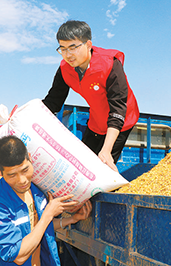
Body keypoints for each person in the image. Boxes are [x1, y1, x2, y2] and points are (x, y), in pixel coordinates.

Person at [0, 135, 92, 266]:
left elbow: (37, 227)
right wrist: (48, 214)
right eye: (12, 175)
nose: (22, 180)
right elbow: (18, 256)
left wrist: (71, 219)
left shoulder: (35, 191)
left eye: (25, 170)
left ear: (30, 158)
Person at [42, 20, 139, 172]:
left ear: (88, 45)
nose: (68, 55)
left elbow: (118, 109)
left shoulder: (110, 65)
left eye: (73, 48)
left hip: (121, 120)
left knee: (102, 168)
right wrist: (22, 116)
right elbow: (53, 101)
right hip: (96, 120)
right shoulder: (65, 69)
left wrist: (106, 150)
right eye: (63, 48)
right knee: (83, 165)